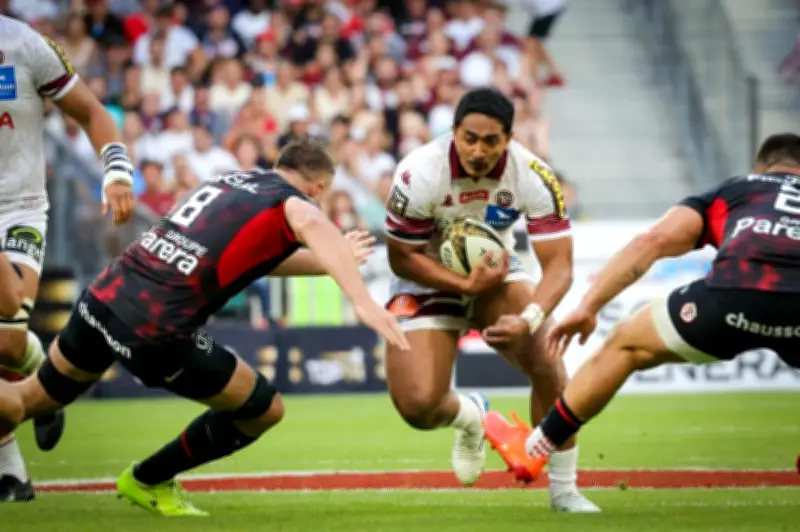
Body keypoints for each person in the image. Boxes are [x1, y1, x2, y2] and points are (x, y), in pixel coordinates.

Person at [0, 139, 410, 515]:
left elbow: (256, 256)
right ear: (318, 189)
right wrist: (363, 301)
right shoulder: (295, 202)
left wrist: (328, 261)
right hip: (155, 327)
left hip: (105, 296)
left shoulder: (231, 181)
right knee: (264, 409)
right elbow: (313, 225)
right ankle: (148, 480)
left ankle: (52, 412)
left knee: (24, 399)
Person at [484, 133, 800, 482]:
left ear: (760, 167)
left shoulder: (743, 188)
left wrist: (589, 307)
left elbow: (653, 241)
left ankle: (534, 449)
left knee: (626, 343)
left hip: (734, 293)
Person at [383, 87, 599, 512]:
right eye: (469, 138)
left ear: (509, 138)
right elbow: (401, 257)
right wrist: (463, 286)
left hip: (498, 272)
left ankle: (564, 491)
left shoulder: (533, 173)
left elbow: (559, 266)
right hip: (427, 280)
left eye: (491, 140)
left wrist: (532, 316)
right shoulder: (417, 173)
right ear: (454, 132)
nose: (478, 150)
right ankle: (473, 417)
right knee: (418, 407)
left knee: (547, 359)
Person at [0, 15, 135, 501]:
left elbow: (94, 113)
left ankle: (38, 382)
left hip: (16, 208)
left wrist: (116, 170)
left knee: (8, 345)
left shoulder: (25, 45)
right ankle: (11, 471)